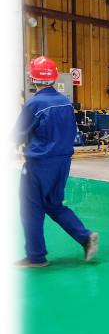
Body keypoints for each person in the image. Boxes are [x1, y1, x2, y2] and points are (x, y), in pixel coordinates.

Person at [4, 56, 99, 268]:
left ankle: (36, 257)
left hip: (40, 165)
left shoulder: (34, 104)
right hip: (62, 164)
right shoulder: (65, 102)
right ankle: (85, 237)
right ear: (54, 77)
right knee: (53, 204)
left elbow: (17, 135)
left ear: (32, 78)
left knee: (31, 208)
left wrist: (7, 155)